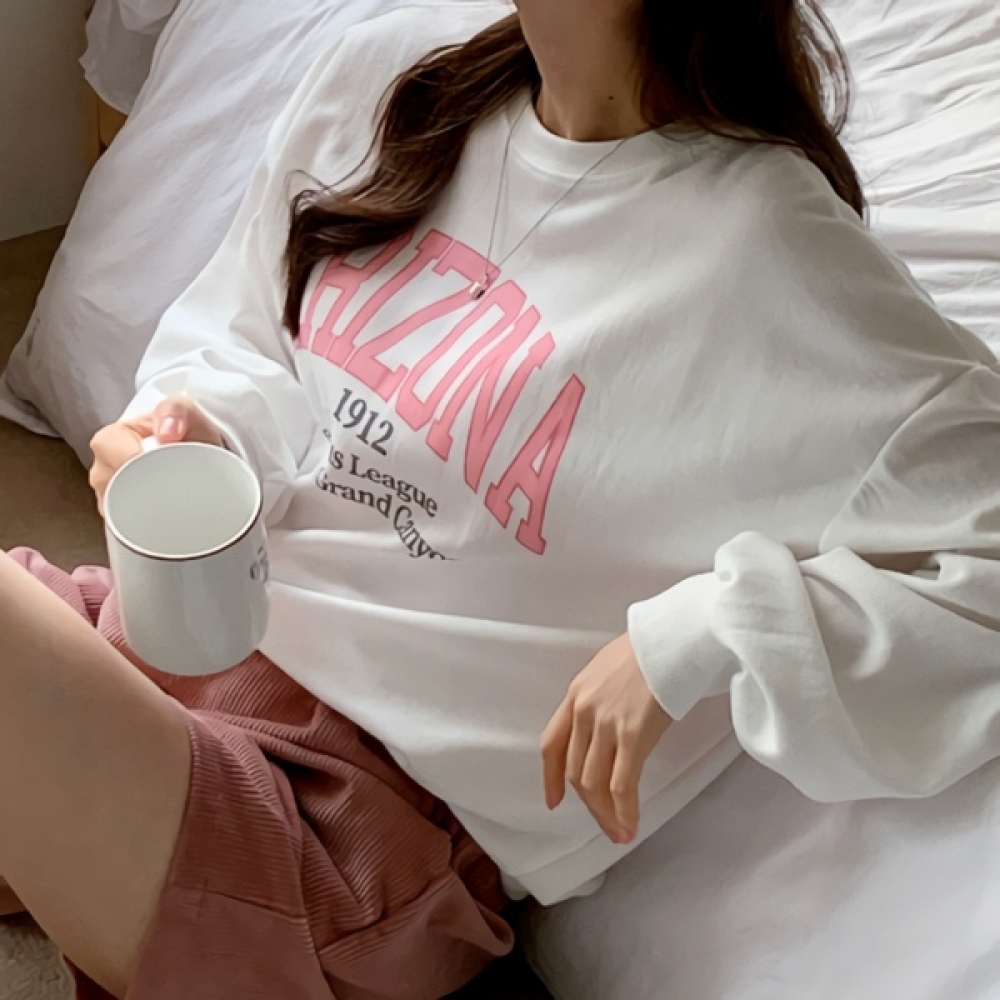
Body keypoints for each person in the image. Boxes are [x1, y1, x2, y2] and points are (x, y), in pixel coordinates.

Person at [4, 0, 1000, 996]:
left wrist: (708, 631)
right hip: (155, 658)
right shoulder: (395, 75)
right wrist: (204, 432)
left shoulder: (768, 252)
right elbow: (248, 328)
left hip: (347, 837)